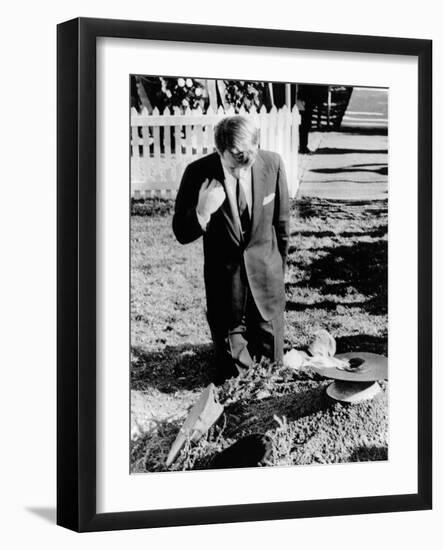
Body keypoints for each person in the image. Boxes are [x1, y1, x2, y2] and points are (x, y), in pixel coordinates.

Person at [172, 116, 290, 384]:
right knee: (234, 380)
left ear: (257, 145)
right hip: (225, 292)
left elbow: (281, 227)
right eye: (232, 166)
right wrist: (202, 211)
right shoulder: (197, 173)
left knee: (273, 374)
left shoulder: (273, 164)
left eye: (246, 165)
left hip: (267, 285)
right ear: (218, 150)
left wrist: (277, 275)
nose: (240, 173)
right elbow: (180, 232)